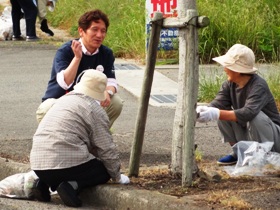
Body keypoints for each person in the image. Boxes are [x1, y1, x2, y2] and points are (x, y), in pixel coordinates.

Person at [30, 70, 130, 207]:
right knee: (103, 170)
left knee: (61, 165)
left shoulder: (62, 100)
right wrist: (117, 176)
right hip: (64, 166)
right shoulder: (95, 110)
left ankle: (41, 183)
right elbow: (106, 148)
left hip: (37, 164)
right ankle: (71, 185)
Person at [36, 9, 123, 128]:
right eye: (94, 29)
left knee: (115, 102)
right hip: (61, 101)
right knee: (47, 107)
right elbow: (64, 83)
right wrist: (77, 58)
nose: (99, 35)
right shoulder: (66, 50)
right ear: (81, 31)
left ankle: (96, 136)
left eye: (103, 31)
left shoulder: (106, 53)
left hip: (90, 104)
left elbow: (112, 81)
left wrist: (107, 92)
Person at [196, 44, 280, 166]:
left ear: (238, 70)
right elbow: (219, 103)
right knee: (221, 113)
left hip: (273, 138)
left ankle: (265, 156)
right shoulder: (229, 85)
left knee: (255, 116)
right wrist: (204, 110)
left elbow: (248, 112)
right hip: (251, 133)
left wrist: (215, 113)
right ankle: (239, 152)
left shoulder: (258, 85)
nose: (224, 68)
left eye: (228, 66)